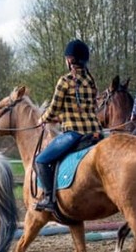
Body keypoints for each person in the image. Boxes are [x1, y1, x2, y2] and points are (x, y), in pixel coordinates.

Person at [34, 39, 103, 213]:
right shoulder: (91, 80)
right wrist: (62, 117)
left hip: (74, 133)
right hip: (95, 131)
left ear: (70, 60)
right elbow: (88, 107)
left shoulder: (65, 81)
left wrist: (43, 118)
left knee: (41, 160)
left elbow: (54, 107)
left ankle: (49, 198)